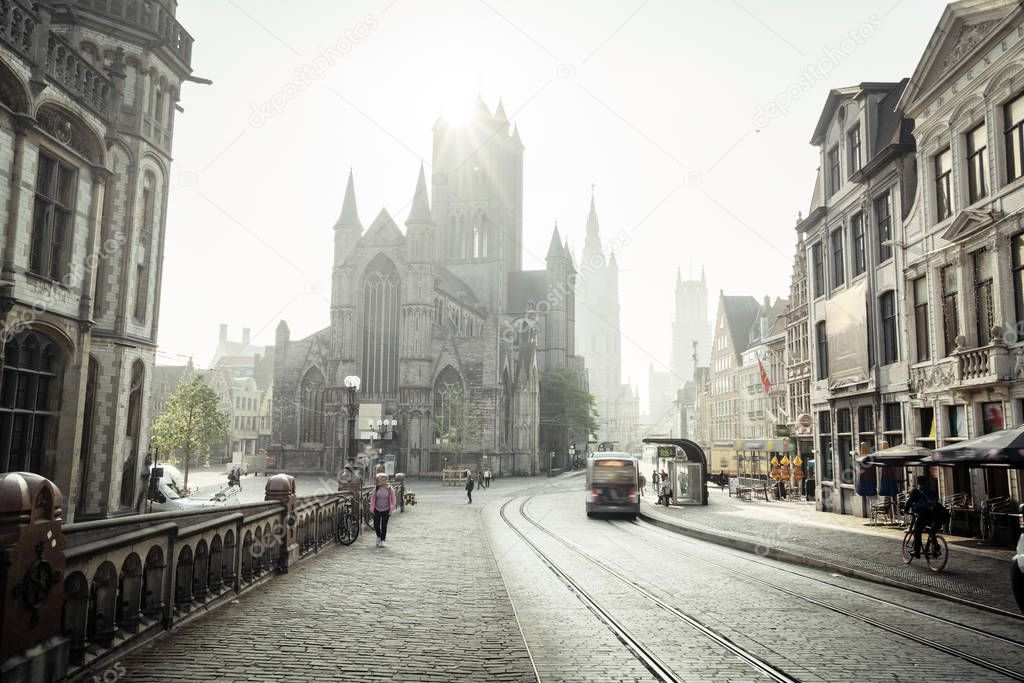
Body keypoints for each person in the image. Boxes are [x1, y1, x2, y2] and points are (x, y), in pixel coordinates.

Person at [903, 475, 938, 557]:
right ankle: (935, 545)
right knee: (930, 530)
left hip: (923, 514)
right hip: (933, 513)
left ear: (918, 482)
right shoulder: (932, 491)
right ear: (927, 482)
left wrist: (906, 510)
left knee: (917, 531)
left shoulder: (916, 491)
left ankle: (916, 551)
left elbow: (909, 502)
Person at [371, 473, 396, 548]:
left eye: (385, 480)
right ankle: (378, 536)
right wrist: (372, 508)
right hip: (377, 508)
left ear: (387, 480)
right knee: (376, 525)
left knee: (384, 525)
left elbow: (393, 499)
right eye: (382, 480)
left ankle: (382, 540)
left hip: (386, 509)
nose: (383, 481)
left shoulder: (389, 488)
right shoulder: (376, 488)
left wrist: (391, 509)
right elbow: (373, 498)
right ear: (379, 480)